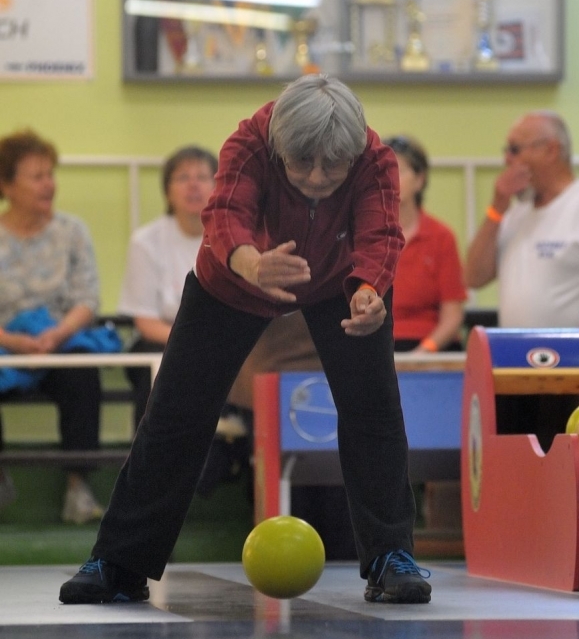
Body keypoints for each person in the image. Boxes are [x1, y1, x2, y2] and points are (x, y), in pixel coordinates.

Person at [59, 74, 432, 605]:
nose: (319, 179)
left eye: (334, 166)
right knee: (175, 412)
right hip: (236, 276)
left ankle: (390, 557)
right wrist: (252, 264)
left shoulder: (375, 158)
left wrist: (371, 290)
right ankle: (119, 562)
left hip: (341, 283)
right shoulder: (250, 141)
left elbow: (381, 234)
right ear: (280, 148)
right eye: (303, 164)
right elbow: (225, 215)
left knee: (373, 407)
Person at [0, 129, 105, 524]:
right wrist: (12, 340)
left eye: (50, 173)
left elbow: (87, 299)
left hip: (58, 340)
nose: (49, 184)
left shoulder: (72, 231)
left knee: (81, 372)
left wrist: (56, 334)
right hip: (5, 345)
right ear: (7, 185)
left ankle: (79, 486)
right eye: (37, 176)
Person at [464, 111, 579, 352]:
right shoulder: (515, 214)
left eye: (515, 149)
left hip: (575, 362)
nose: (507, 160)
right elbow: (474, 277)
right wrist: (497, 208)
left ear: (551, 150)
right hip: (516, 360)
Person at [118, 146, 218, 427]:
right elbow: (146, 322)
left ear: (218, 186)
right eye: (183, 177)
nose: (193, 185)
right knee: (162, 361)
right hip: (164, 339)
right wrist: (195, 343)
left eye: (202, 176)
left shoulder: (235, 240)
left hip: (221, 338)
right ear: (167, 191)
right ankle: (147, 460)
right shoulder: (145, 241)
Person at [384, 136, 466, 353]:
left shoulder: (441, 237)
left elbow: (452, 316)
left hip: (430, 346)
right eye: (384, 171)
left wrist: (423, 353)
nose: (390, 179)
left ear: (420, 180)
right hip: (377, 347)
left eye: (398, 171)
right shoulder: (364, 236)